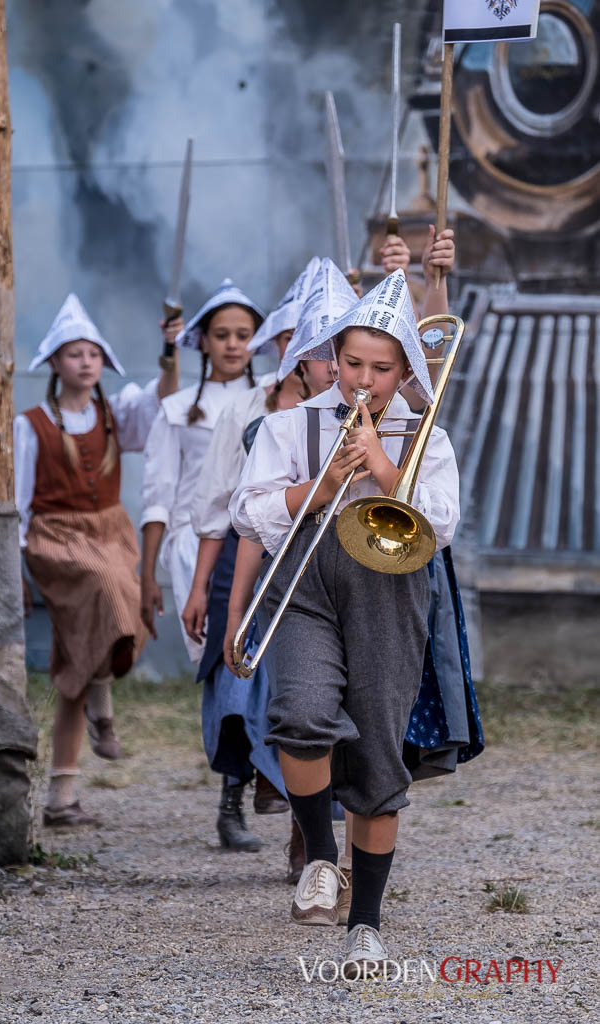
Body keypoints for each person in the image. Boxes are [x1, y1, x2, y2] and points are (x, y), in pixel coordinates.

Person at [229, 269, 460, 978]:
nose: (363, 379)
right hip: (305, 583)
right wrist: (326, 481)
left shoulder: (427, 434)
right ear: (332, 356)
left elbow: (441, 525)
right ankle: (320, 858)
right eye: (350, 363)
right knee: (297, 714)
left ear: (404, 368)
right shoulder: (284, 423)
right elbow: (251, 512)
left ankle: (366, 923)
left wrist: (384, 466)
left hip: (389, 588)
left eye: (381, 368)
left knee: (377, 757)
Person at [183, 259, 355, 856]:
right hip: (251, 559)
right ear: (289, 349)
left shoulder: (357, 411)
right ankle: (237, 797)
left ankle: (305, 835)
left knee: (318, 697)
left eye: (339, 347)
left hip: (333, 568)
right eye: (310, 345)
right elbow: (221, 511)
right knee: (238, 691)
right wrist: (206, 589)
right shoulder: (251, 411)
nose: (328, 360)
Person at [14, 293, 179, 827]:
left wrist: (169, 353)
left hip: (108, 530)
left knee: (79, 656)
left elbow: (164, 405)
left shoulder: (116, 413)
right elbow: (17, 502)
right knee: (111, 586)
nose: (84, 362)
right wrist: (15, 566)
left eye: (91, 353)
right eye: (72, 354)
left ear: (102, 362)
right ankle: (102, 708)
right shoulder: (32, 424)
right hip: (56, 540)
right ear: (55, 363)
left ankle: (61, 798)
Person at [139, 278, 265, 665]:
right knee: (219, 654)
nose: (232, 344)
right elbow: (159, 496)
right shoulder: (176, 409)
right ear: (204, 341)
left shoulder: (275, 399)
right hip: (196, 545)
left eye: (243, 335)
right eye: (222, 335)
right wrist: (146, 577)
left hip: (263, 539)